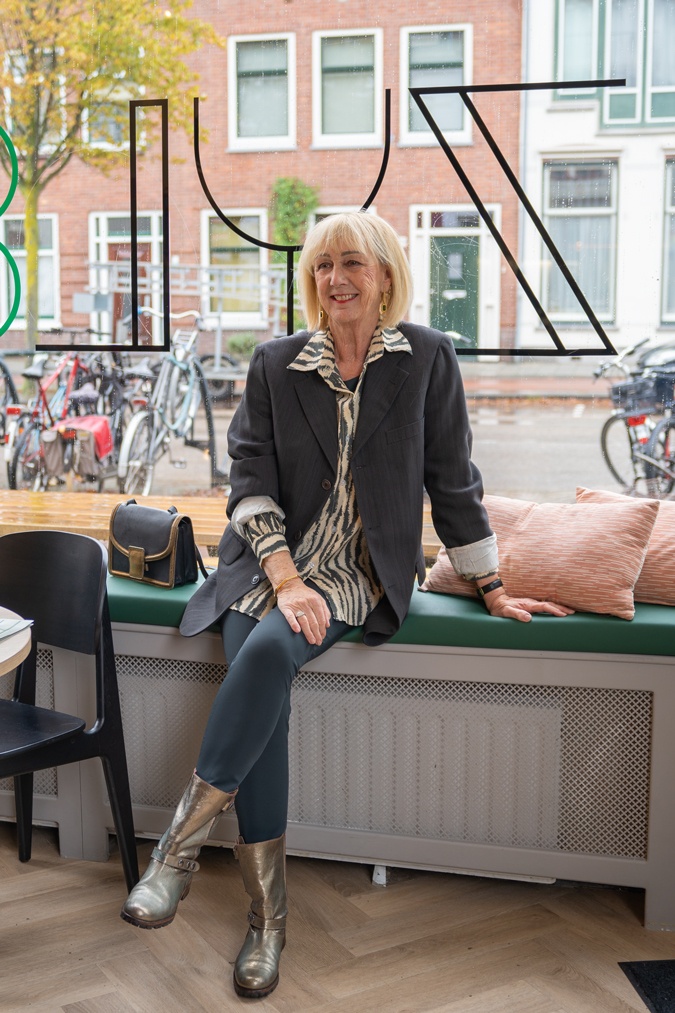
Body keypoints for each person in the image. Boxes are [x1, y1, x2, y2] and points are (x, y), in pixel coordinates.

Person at [120, 211, 572, 999]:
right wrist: (285, 578)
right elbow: (249, 483)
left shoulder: (427, 358)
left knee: (261, 655)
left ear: (385, 274)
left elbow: (452, 480)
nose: (335, 278)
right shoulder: (275, 363)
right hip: (265, 563)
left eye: (352, 263)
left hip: (355, 572)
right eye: (323, 264)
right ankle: (268, 921)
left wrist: (490, 584)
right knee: (265, 693)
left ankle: (177, 854)